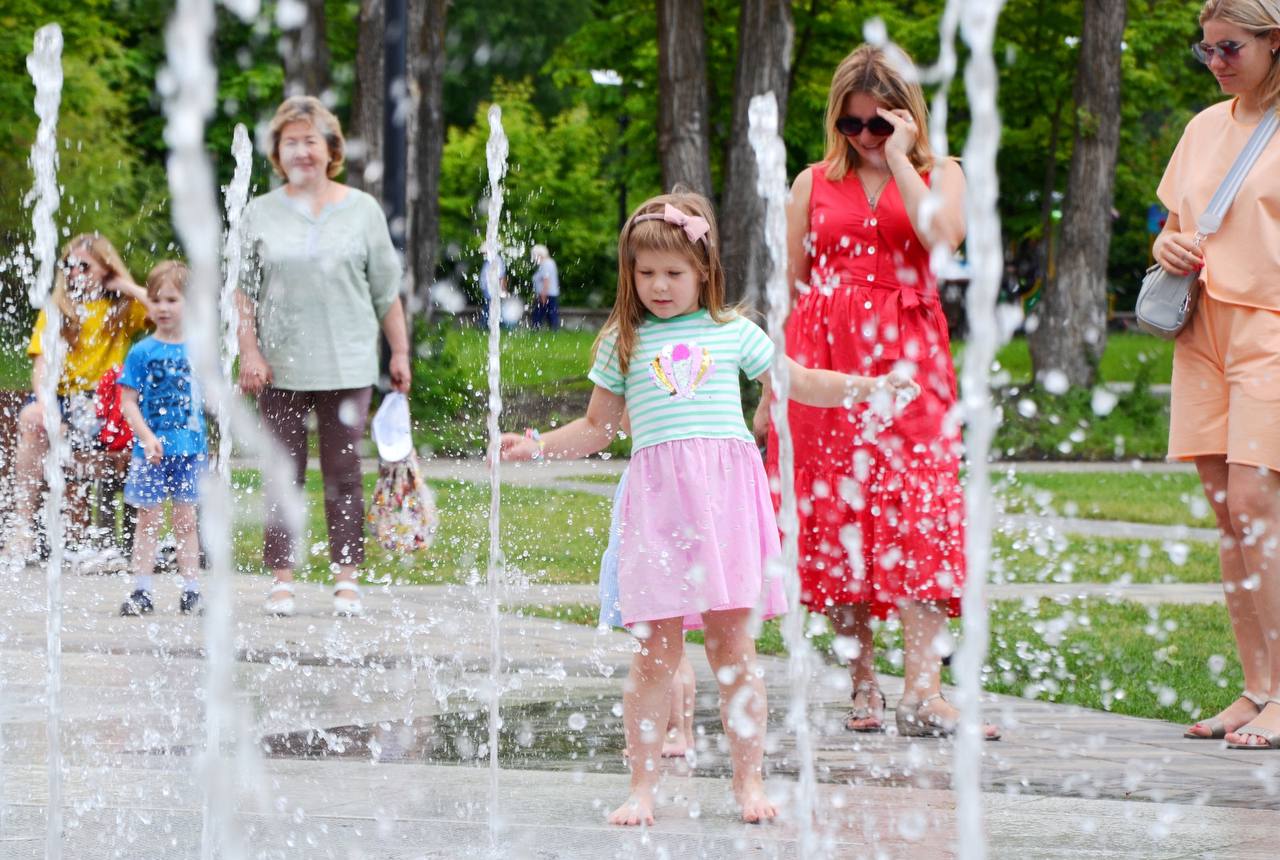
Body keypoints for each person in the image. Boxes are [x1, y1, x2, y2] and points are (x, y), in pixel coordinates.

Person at [501, 191, 918, 826]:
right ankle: (642, 787)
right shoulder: (624, 340)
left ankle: (749, 785)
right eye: (646, 273)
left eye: (674, 273)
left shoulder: (732, 333)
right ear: (629, 274)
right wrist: (535, 445)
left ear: (703, 271)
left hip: (726, 508)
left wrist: (870, 386)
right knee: (653, 655)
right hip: (659, 509)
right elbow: (596, 427)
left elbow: (799, 381)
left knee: (733, 652)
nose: (659, 286)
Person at [753, 44, 999, 740]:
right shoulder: (810, 182)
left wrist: (901, 159)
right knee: (837, 519)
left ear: (905, 118)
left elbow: (945, 238)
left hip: (910, 361)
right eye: (853, 125)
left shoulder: (941, 174)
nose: (864, 137)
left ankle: (924, 690)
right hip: (823, 364)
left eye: (878, 125)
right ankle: (863, 683)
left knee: (922, 514)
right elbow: (789, 285)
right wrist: (776, 386)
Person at [1156, 0, 1280, 748]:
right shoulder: (1204, 127)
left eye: (1230, 46)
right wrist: (1167, 251)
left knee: (1255, 502)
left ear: (1275, 43)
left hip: (1270, 326)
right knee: (1226, 516)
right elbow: (1178, 226)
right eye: (1206, 51)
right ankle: (1256, 689)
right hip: (1199, 327)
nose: (1217, 61)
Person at [236, 95, 412, 618]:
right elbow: (241, 292)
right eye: (290, 142)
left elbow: (385, 291)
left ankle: (346, 579)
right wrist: (250, 352)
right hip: (280, 366)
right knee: (281, 472)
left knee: (343, 472)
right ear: (277, 152)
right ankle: (283, 580)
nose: (301, 151)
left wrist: (399, 351)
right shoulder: (258, 213)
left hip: (349, 363)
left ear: (331, 148)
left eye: (310, 140)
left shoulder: (361, 209)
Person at [1, 233, 150, 569]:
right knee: (31, 418)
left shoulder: (122, 309)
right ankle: (23, 524)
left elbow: (165, 311)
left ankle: (104, 541)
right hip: (63, 399)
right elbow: (41, 370)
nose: (75, 273)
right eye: (69, 266)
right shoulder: (56, 310)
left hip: (106, 403)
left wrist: (124, 284)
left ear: (105, 270)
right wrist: (47, 406)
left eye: (86, 266)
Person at [117, 262, 205, 616]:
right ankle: (142, 590)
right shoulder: (141, 352)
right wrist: (147, 437)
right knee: (147, 520)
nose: (163, 308)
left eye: (172, 299)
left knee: (186, 522)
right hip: (149, 452)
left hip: (190, 451)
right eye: (155, 300)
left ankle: (192, 590)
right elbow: (128, 403)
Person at [599, 466, 697, 760]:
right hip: (679, 494)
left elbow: (627, 425)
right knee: (676, 650)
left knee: (659, 645)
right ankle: (683, 732)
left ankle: (673, 731)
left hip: (651, 495)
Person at [530, 244, 560, 330]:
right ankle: (551, 330)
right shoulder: (548, 263)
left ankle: (538, 329)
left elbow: (546, 280)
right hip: (549, 293)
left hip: (547, 294)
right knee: (549, 313)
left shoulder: (546, 264)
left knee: (543, 313)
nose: (534, 257)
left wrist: (543, 294)